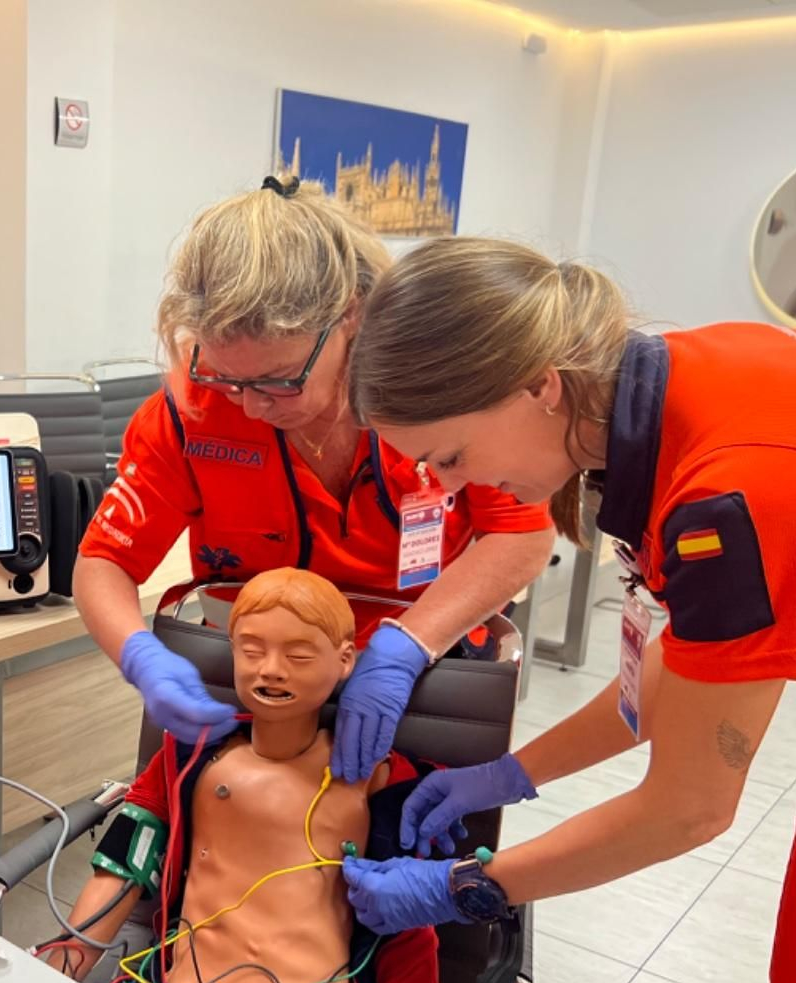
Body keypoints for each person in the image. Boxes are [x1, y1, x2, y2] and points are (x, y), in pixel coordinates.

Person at [337, 235, 796, 983]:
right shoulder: (677, 381)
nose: (446, 490)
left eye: (448, 456)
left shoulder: (737, 489)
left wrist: (467, 886)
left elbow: (688, 809)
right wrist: (512, 774)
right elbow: (688, 673)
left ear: (539, 385)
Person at [72, 175, 553, 784]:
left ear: (350, 314)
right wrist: (139, 657)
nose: (249, 407)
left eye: (279, 380)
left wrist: (408, 647)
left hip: (419, 666)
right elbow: (103, 563)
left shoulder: (429, 392)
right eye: (226, 378)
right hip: (257, 672)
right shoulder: (188, 410)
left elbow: (522, 533)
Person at [41, 568, 439, 983]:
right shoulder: (190, 754)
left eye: (298, 654)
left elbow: (411, 941)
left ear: (346, 659)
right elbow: (125, 862)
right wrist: (70, 958)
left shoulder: (382, 782)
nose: (270, 669)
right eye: (251, 650)